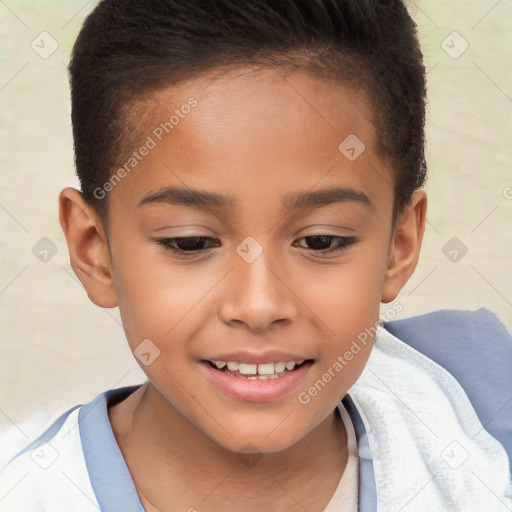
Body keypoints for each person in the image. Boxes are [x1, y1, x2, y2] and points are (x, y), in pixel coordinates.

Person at [1, 0, 511, 510]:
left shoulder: (479, 421)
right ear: (95, 251)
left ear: (400, 248)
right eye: (190, 242)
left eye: (321, 241)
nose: (259, 305)